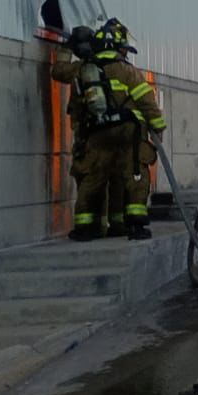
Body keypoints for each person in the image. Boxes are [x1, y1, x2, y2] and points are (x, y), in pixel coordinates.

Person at [66, 20, 166, 241]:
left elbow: (77, 108)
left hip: (96, 133)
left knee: (93, 177)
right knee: (135, 175)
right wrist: (158, 127)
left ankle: (84, 227)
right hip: (128, 132)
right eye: (123, 48)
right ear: (116, 47)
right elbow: (146, 101)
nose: (125, 52)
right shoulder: (127, 71)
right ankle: (135, 226)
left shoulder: (85, 71)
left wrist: (81, 135)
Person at [51, 25, 119, 238]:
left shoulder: (82, 68)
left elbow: (57, 71)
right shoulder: (115, 67)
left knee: (88, 177)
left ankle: (87, 228)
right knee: (110, 178)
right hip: (113, 132)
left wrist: (65, 48)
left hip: (88, 133)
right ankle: (107, 225)